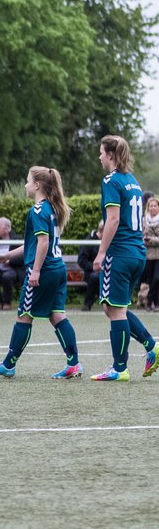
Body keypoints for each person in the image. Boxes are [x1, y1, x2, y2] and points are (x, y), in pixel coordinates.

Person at [0, 167, 82, 379]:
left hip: (44, 270)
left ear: (37, 185)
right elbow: (34, 244)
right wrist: (6, 256)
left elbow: (43, 243)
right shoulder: (51, 209)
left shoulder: (37, 211)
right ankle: (74, 364)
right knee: (56, 315)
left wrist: (35, 270)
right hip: (58, 268)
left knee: (24, 315)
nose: (25, 185)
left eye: (27, 181)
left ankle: (8, 364)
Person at [90, 135, 156, 380]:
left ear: (111, 155)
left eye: (101, 153)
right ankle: (151, 346)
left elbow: (114, 219)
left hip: (119, 253)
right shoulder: (133, 181)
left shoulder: (111, 180)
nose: (99, 157)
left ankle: (119, 368)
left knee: (115, 310)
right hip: (137, 252)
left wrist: (102, 251)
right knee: (113, 307)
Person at [77, 224, 101, 310]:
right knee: (95, 277)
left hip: (108, 270)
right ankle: (87, 304)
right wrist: (93, 267)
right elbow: (81, 261)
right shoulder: (89, 242)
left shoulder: (110, 241)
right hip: (91, 272)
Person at [143, 196, 159, 312]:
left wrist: (152, 240)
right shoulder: (144, 220)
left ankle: (149, 298)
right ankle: (154, 303)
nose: (153, 208)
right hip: (148, 254)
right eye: (151, 206)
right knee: (150, 279)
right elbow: (142, 237)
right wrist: (146, 240)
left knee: (157, 278)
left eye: (155, 205)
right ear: (148, 208)